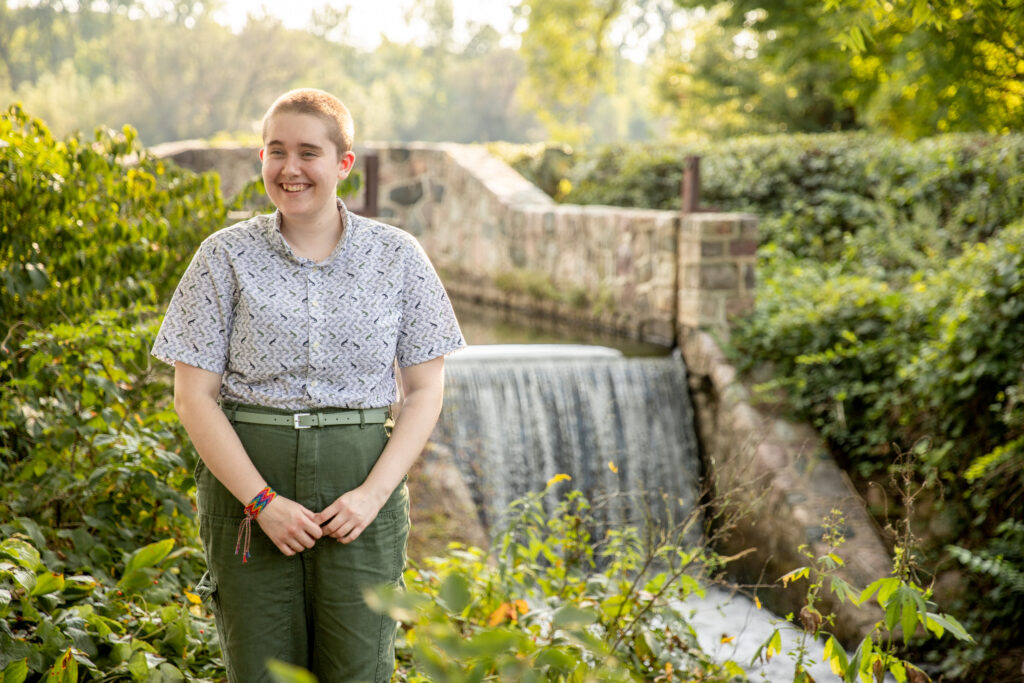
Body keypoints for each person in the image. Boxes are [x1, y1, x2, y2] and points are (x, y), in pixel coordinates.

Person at [151, 88, 465, 683]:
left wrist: (371, 496)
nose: (289, 168)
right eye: (276, 151)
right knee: (262, 671)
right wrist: (261, 502)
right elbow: (193, 397)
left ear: (343, 163)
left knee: (358, 669)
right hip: (248, 494)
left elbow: (425, 391)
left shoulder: (398, 256)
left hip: (360, 498)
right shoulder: (223, 256)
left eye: (308, 152)